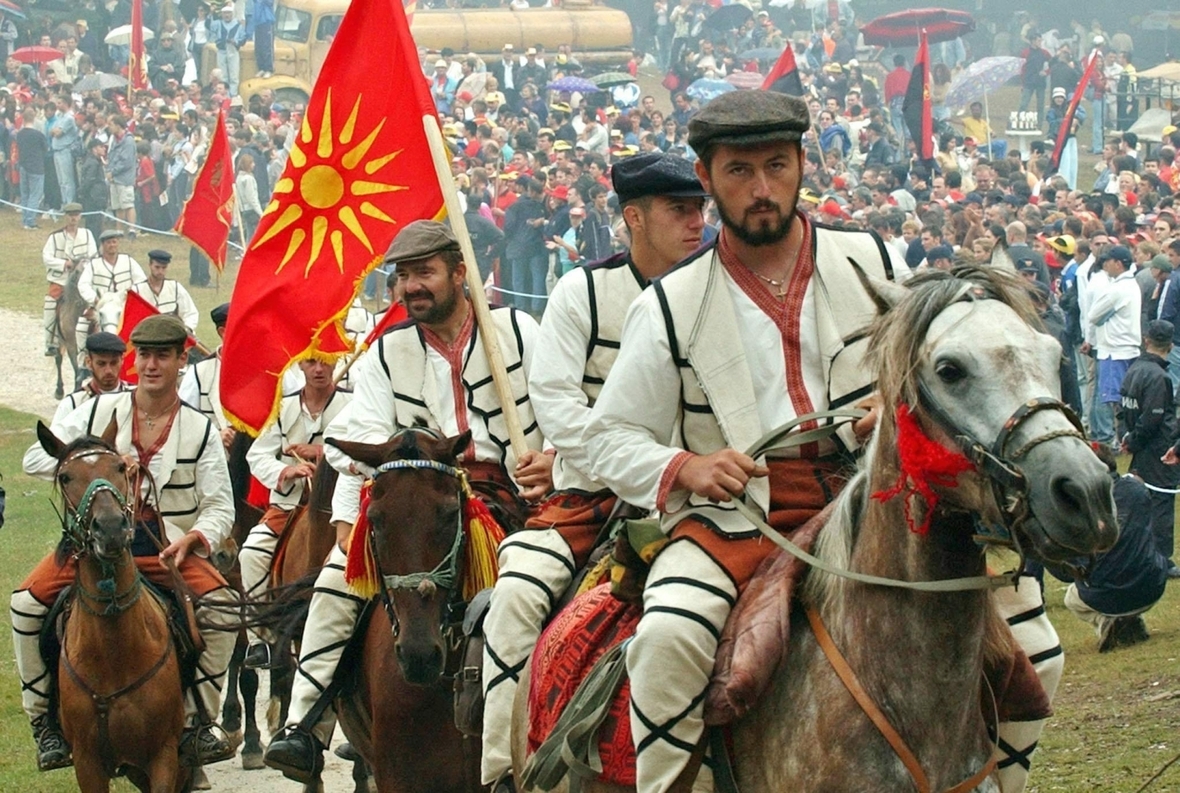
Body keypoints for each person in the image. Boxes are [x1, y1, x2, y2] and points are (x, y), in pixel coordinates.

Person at [583, 90, 1057, 793]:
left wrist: (890, 402)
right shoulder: (669, 304)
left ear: (804, 162)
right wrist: (686, 462)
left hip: (870, 505)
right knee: (669, 638)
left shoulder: (868, 256)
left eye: (777, 164)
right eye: (739, 171)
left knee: (1039, 648)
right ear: (706, 177)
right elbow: (607, 437)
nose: (762, 188)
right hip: (739, 520)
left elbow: (927, 375)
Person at [263, 220, 554, 782]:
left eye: (425, 272)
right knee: (333, 583)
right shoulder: (386, 352)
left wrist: (552, 458)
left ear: (460, 272)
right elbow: (361, 429)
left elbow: (562, 410)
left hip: (515, 500)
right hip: (415, 499)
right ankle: (305, 726)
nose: (411, 286)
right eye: (403, 276)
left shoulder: (519, 332)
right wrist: (402, 454)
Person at [480, 152, 708, 790]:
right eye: (679, 210)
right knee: (517, 594)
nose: (696, 222)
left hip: (685, 498)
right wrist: (639, 467)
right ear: (634, 217)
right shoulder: (582, 290)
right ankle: (502, 768)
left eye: (699, 209)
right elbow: (554, 402)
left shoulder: (712, 289)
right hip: (590, 497)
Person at [14, 314, 239, 771]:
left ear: (182, 359)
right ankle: (44, 724)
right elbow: (37, 455)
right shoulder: (98, 410)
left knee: (225, 610)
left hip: (164, 549)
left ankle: (198, 722)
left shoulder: (199, 428)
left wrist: (195, 538)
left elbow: (220, 508)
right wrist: (96, 459)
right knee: (25, 605)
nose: (152, 365)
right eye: (145, 355)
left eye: (163, 355)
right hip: (88, 548)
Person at [240, 358, 351, 669]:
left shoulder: (352, 403)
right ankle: (260, 640)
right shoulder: (281, 406)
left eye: (326, 362)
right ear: (301, 365)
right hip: (288, 506)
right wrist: (285, 472)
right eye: (312, 363)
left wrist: (321, 453)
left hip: (339, 506)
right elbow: (257, 455)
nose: (319, 370)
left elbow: (365, 444)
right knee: (251, 553)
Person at [1046, 443, 1167, 651]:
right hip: (1152, 585)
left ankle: (1107, 622)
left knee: (1072, 598)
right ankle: (1130, 621)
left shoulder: (1078, 507)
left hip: (1106, 597)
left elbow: (1066, 574)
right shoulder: (1137, 490)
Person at [1119, 320, 1180, 576]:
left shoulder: (1134, 369)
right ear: (1171, 344)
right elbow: (1153, 418)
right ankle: (1161, 561)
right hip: (1158, 448)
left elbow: (1124, 409)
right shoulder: (1159, 377)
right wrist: (1134, 440)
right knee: (1162, 503)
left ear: (1146, 339)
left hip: (1142, 446)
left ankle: (1140, 554)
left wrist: (1128, 437)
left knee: (1142, 502)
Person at [1087, 244, 1142, 443]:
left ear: (1118, 264)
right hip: (1126, 348)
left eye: (1108, 261)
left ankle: (1109, 439)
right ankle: (1121, 436)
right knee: (1125, 398)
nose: (1105, 265)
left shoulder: (1118, 289)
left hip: (1114, 350)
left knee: (1110, 398)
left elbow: (1093, 315)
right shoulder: (1131, 284)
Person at [33, 332, 131, 432]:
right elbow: (54, 442)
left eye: (114, 363)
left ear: (122, 361)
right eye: (101, 364)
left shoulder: (134, 396)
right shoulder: (73, 404)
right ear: (89, 362)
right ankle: (51, 342)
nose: (108, 370)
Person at [76, 230, 147, 361]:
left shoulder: (128, 261)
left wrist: (130, 295)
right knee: (81, 327)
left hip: (123, 305)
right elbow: (83, 284)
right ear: (103, 245)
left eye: (114, 242)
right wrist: (95, 299)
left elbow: (141, 281)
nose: (112, 245)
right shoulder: (94, 264)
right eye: (109, 242)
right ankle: (82, 359)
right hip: (101, 305)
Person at [41, 203, 98, 356]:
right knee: (51, 302)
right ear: (65, 216)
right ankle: (51, 341)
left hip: (83, 279)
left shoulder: (87, 234)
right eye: (70, 214)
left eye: (76, 214)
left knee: (100, 302)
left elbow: (94, 255)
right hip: (61, 280)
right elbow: (46, 257)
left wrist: (83, 265)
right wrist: (64, 264)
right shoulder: (55, 237)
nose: (73, 218)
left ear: (80, 216)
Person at [179, 303, 236, 449]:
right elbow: (183, 423)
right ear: (223, 332)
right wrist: (214, 436)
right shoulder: (199, 373)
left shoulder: (273, 371)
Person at [130, 250, 200, 332]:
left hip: (171, 336)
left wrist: (187, 329)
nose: (160, 271)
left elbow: (190, 313)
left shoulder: (175, 287)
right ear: (150, 265)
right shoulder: (137, 290)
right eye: (157, 267)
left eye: (164, 268)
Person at [105, 116, 138, 236]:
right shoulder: (114, 139)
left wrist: (112, 172)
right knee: (117, 205)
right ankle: (119, 230)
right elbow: (111, 156)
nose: (109, 128)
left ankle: (132, 230)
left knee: (128, 204)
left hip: (125, 178)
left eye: (111, 125)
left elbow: (126, 162)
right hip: (114, 178)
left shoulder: (128, 141)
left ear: (118, 125)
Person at [15, 106, 47, 230]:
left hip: (23, 166)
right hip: (36, 167)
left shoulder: (20, 134)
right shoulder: (38, 135)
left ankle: (25, 219)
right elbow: (45, 149)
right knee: (35, 194)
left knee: (25, 194)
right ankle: (30, 221)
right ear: (34, 118)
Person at [46, 95, 80, 207]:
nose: (57, 105)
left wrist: (55, 131)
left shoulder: (69, 118)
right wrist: (55, 131)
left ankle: (70, 203)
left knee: (67, 180)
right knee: (61, 180)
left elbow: (58, 133)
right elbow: (51, 132)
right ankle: (64, 202)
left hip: (65, 150)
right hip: (56, 150)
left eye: (60, 103)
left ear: (66, 103)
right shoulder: (59, 116)